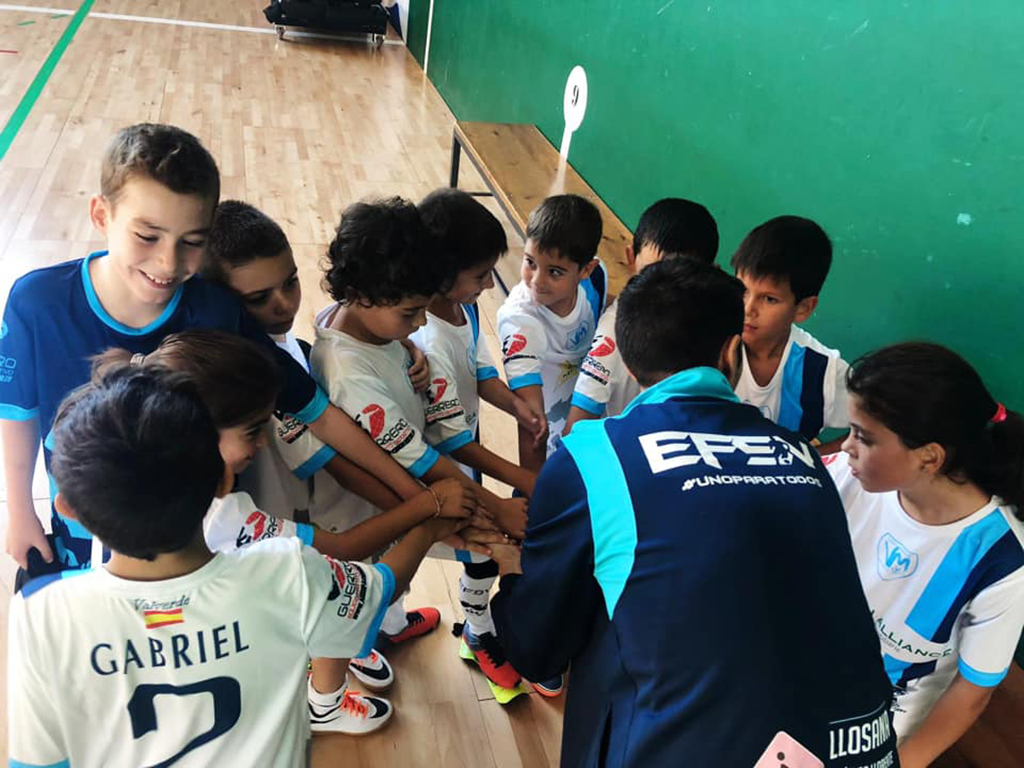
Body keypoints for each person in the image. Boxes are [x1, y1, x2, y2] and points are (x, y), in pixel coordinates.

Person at [488, 257, 899, 767]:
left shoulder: (594, 456)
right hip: (859, 746)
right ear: (732, 351)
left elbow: (537, 650)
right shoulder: (803, 458)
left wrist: (511, 576)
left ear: (631, 365)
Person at [0, 123, 422, 582]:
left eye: (192, 243)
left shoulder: (217, 309)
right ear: (102, 215)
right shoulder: (36, 303)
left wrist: (415, 495)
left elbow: (316, 411)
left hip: (207, 557)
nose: (168, 263)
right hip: (85, 545)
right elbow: (18, 414)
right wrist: (20, 511)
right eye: (148, 236)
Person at [6, 364, 475, 767]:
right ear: (222, 479)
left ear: (67, 508)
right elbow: (381, 586)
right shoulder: (286, 572)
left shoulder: (41, 614)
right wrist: (430, 525)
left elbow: (39, 759)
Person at [92, 329, 488, 732]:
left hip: (185, 681)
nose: (262, 444)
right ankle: (325, 705)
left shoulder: (119, 496)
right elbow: (349, 556)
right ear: (198, 436)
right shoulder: (230, 518)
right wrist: (429, 513)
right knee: (334, 605)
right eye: (251, 431)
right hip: (232, 700)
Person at [311, 197, 526, 647]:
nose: (420, 323)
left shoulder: (367, 326)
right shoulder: (349, 375)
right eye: (410, 314)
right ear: (362, 294)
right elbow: (426, 460)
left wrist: (407, 345)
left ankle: (388, 626)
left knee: (393, 583)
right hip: (369, 508)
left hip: (401, 491)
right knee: (364, 592)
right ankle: (362, 653)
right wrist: (496, 505)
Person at [824, 342, 1024, 768]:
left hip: (879, 716)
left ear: (929, 457)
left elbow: (972, 692)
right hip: (812, 665)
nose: (845, 448)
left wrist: (899, 763)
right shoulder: (849, 476)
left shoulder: (1000, 559)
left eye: (863, 436)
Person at [203, 199, 429, 536]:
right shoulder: (256, 385)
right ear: (219, 303)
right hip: (293, 539)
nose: (285, 304)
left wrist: (397, 345)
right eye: (258, 298)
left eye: (290, 282)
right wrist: (426, 512)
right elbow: (340, 467)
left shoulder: (293, 342)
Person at [412, 188, 548, 700]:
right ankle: (477, 632)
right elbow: (453, 440)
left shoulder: (460, 309)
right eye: (478, 275)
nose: (487, 284)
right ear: (442, 273)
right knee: (480, 554)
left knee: (481, 552)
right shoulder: (425, 336)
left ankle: (476, 630)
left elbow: (482, 367)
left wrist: (515, 404)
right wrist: (522, 479)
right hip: (437, 469)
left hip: (464, 461)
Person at [564, 197, 719, 431]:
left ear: (710, 274)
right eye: (651, 273)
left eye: (678, 278)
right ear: (630, 259)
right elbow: (574, 431)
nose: (662, 293)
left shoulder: (719, 330)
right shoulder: (612, 335)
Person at [496, 194, 606, 470]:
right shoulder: (519, 320)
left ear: (586, 269)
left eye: (554, 272)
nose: (536, 280)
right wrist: (534, 489)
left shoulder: (597, 279)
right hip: (547, 444)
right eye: (530, 262)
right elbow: (531, 420)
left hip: (589, 421)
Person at [730, 215, 849, 452]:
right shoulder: (704, 342)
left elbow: (884, 424)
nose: (748, 309)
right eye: (742, 290)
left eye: (769, 299)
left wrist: (812, 458)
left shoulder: (822, 371)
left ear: (804, 308)